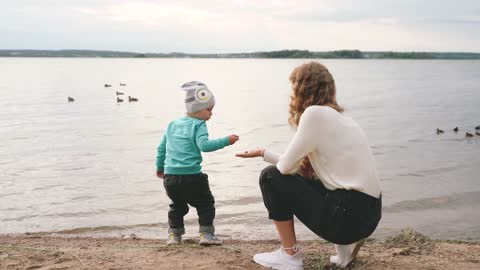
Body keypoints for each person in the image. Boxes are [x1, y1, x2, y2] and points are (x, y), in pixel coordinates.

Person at [236, 62, 382, 269]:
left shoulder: (314, 113)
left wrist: (264, 155)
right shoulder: (342, 119)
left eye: (293, 86)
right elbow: (320, 176)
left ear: (302, 88)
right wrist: (263, 153)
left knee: (270, 177)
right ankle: (345, 251)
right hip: (369, 215)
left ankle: (289, 255)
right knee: (317, 180)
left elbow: (285, 169)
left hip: (347, 218)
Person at [156, 81, 239, 246]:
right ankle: (206, 234)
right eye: (209, 109)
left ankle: (174, 236)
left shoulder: (172, 125)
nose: (211, 114)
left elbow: (161, 148)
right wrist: (227, 141)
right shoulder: (199, 124)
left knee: (177, 206)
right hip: (192, 177)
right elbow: (205, 146)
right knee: (205, 204)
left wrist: (160, 168)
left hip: (170, 178)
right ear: (196, 109)